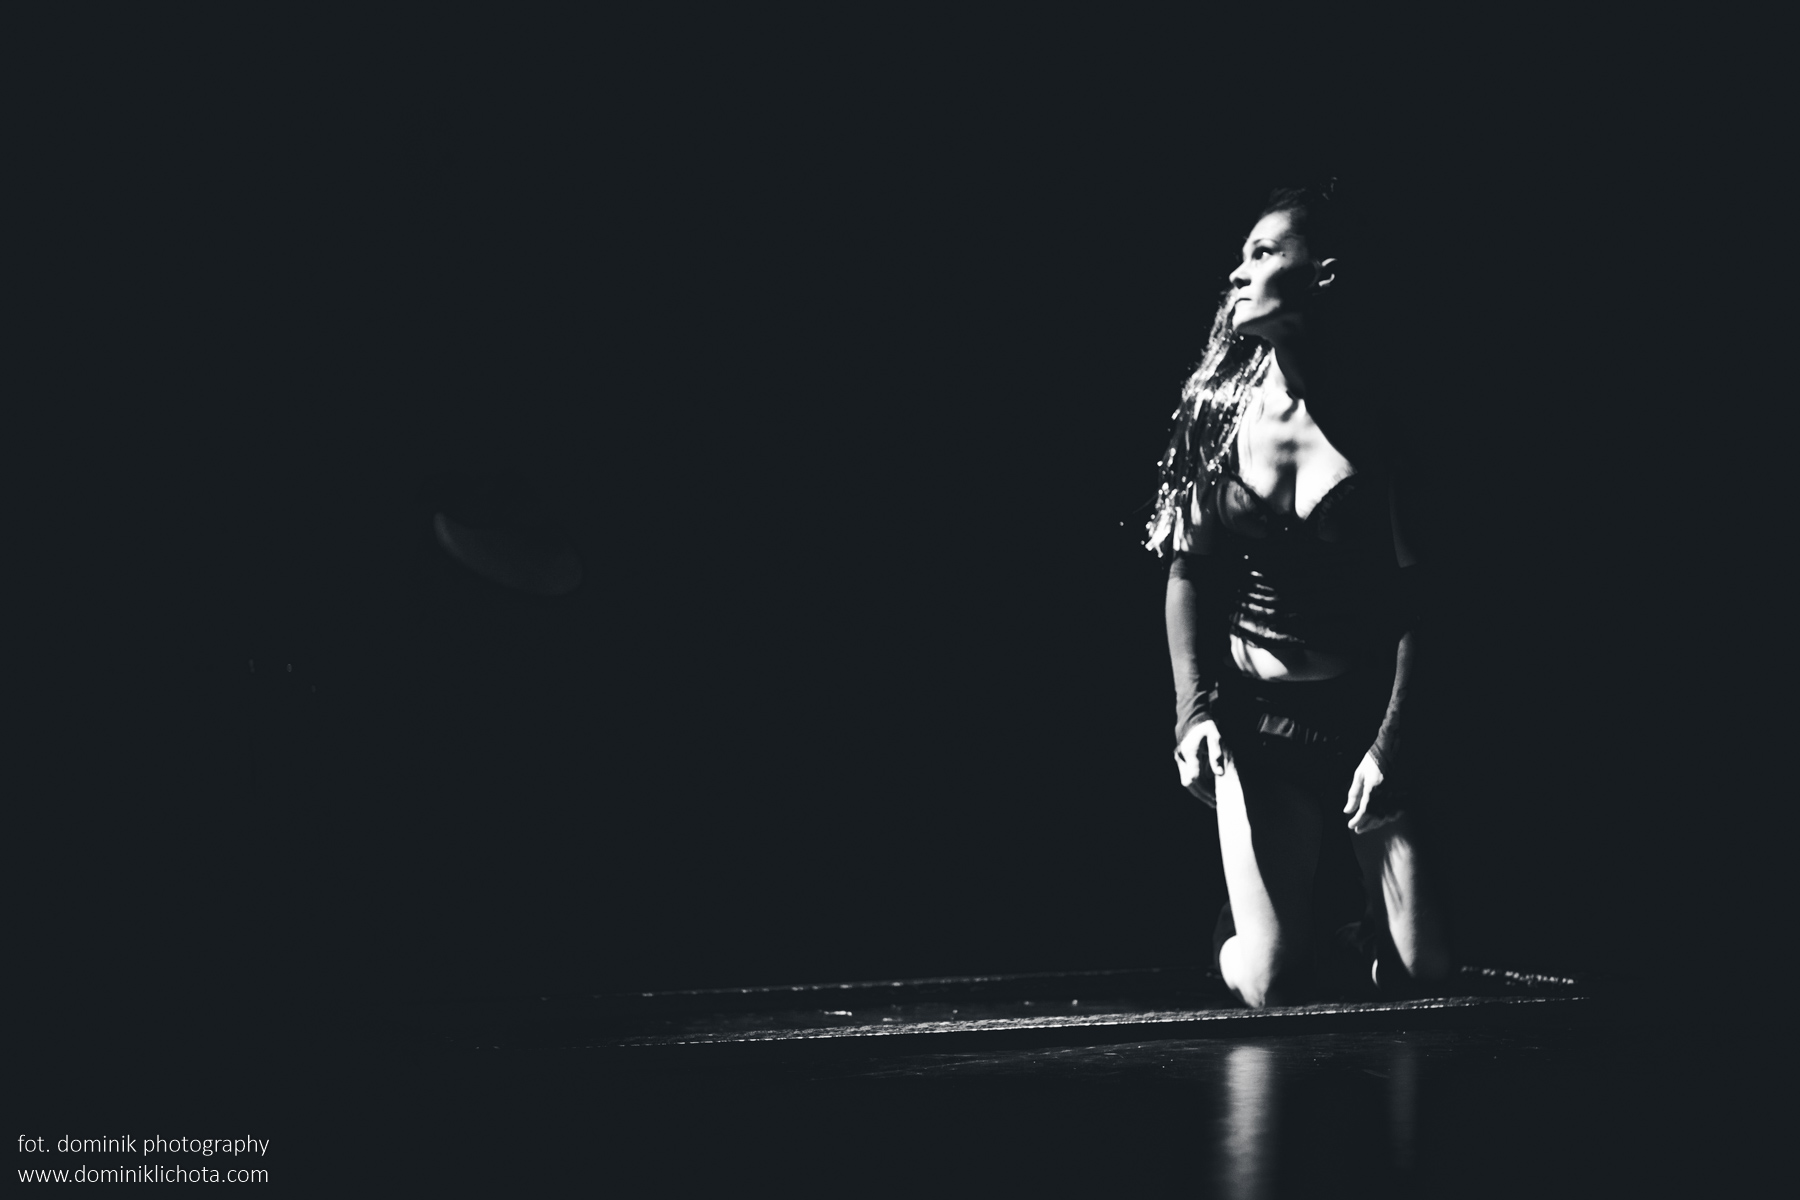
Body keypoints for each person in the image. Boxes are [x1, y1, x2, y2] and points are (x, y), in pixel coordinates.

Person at [1145, 184, 1451, 1007]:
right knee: (1271, 982)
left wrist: (1391, 748)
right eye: (1240, 257)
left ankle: (1350, 933)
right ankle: (1249, 933)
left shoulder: (1384, 421)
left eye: (1264, 253)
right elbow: (1188, 572)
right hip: (1259, 726)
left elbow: (1424, 603)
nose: (1237, 274)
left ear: (1324, 274)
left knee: (1425, 977)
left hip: (1360, 718)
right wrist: (1192, 714)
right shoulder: (1216, 412)